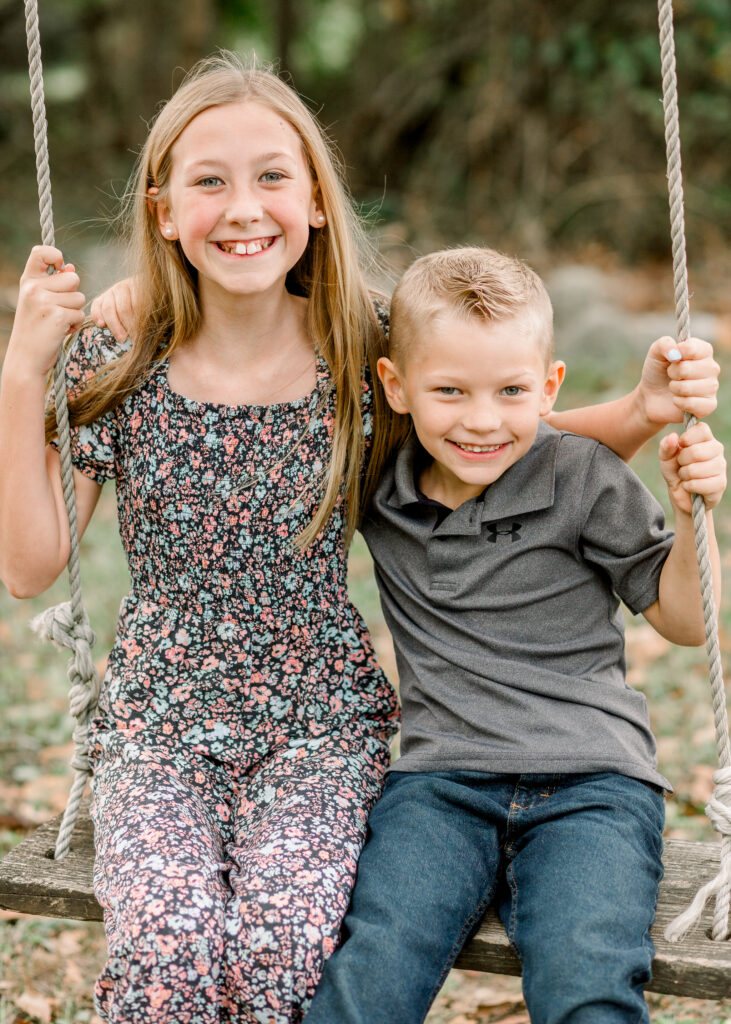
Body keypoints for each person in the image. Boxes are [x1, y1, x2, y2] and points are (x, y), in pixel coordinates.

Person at [0, 50, 719, 1024]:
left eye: (270, 177)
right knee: (163, 961)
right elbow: (29, 563)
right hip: (159, 730)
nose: (243, 206)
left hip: (318, 726)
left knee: (283, 953)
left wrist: (635, 412)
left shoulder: (356, 352)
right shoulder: (116, 358)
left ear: (316, 204)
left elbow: (491, 429)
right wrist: (20, 375)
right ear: (165, 210)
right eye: (209, 181)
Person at [303, 247, 726, 1024]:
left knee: (586, 981)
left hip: (594, 786)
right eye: (449, 391)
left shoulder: (586, 475)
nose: (481, 419)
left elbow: (685, 623)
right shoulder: (377, 481)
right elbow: (299, 301)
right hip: (440, 787)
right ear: (395, 386)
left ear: (549, 386)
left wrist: (695, 509)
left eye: (510, 391)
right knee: (369, 976)